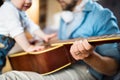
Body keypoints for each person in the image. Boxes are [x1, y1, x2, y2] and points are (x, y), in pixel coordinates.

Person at [0, 0, 120, 80]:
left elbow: (113, 69)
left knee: (11, 77)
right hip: (59, 65)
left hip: (87, 71)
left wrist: (88, 56)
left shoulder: (101, 16)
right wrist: (42, 41)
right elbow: (64, 44)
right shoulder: (66, 14)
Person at [0, 0, 56, 74]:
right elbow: (16, 30)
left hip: (3, 47)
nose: (28, 1)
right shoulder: (8, 9)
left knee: (1, 62)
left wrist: (44, 36)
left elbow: (31, 25)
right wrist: (28, 47)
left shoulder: (20, 11)